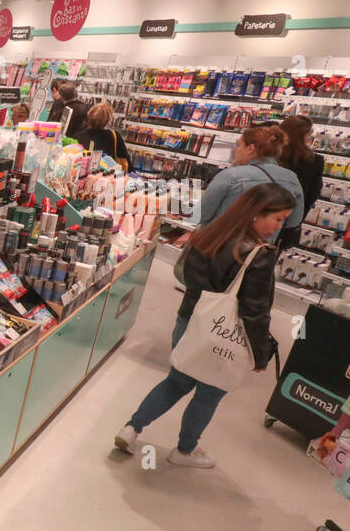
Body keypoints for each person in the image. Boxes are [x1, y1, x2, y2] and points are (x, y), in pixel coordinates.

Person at [114, 183, 292, 468]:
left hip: (192, 320)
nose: (279, 226)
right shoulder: (259, 254)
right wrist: (260, 355)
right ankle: (184, 451)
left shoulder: (210, 235)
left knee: (177, 381)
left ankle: (132, 428)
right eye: (278, 218)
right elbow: (254, 311)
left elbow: (188, 279)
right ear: (257, 214)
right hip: (228, 334)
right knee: (209, 393)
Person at [198, 125, 303, 237]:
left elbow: (200, 214)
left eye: (238, 145)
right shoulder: (292, 179)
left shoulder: (231, 175)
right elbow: (293, 221)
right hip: (257, 249)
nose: (236, 150)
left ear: (250, 148)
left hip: (220, 243)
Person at [277, 114, 322, 247]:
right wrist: (297, 220)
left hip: (257, 218)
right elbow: (312, 194)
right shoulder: (314, 160)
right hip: (289, 220)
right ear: (304, 135)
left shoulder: (273, 154)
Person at [78, 101, 129, 168]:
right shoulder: (115, 136)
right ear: (108, 120)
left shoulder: (78, 136)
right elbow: (126, 163)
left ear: (89, 116)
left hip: (82, 176)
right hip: (108, 176)